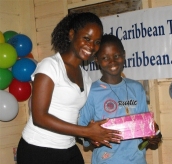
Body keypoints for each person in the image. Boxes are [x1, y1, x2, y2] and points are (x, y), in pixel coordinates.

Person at [17, 12, 121, 164]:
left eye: (97, 42)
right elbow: (39, 117)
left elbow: (72, 116)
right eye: (87, 38)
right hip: (37, 149)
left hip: (67, 147)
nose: (92, 46)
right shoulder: (50, 66)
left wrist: (92, 134)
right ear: (72, 35)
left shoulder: (85, 77)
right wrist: (86, 131)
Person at [78, 34, 162, 164]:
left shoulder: (136, 88)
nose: (112, 61)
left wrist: (154, 136)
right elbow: (82, 128)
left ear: (124, 55)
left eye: (116, 55)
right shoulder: (91, 92)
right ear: (96, 60)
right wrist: (91, 136)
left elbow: (147, 127)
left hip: (137, 160)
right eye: (105, 57)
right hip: (106, 160)